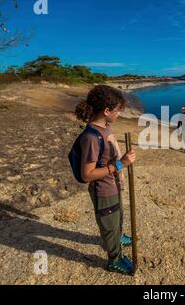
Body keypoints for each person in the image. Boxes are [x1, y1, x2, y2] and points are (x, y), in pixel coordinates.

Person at [74, 85, 136, 274]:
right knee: (109, 224)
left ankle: (118, 236)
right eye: (118, 111)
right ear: (107, 111)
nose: (120, 114)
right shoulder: (91, 137)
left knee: (117, 217)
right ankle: (114, 259)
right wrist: (120, 165)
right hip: (104, 190)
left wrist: (120, 164)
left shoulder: (105, 127)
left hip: (114, 185)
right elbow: (87, 174)